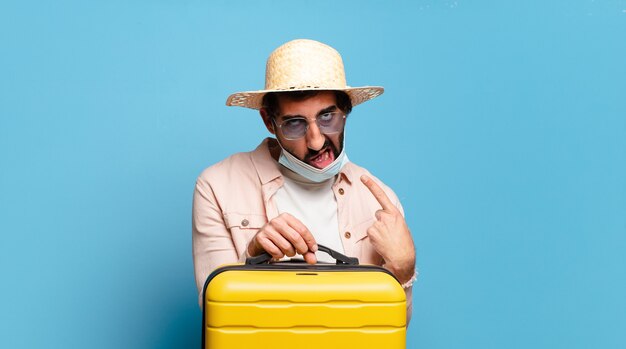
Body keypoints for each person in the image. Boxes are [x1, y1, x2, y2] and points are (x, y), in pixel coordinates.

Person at [192, 39, 417, 321]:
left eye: (327, 118)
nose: (316, 141)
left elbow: (391, 329)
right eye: (295, 124)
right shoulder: (217, 186)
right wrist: (252, 257)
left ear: (345, 112)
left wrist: (404, 270)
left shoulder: (381, 201)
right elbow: (217, 317)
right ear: (268, 121)